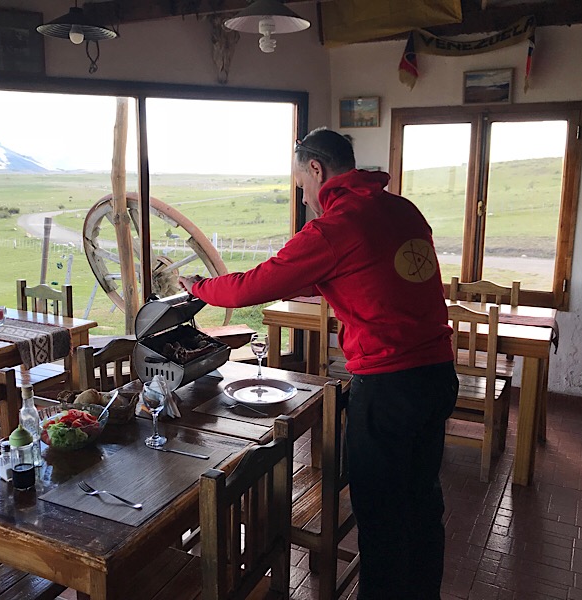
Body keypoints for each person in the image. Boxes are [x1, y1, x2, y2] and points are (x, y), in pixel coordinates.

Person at [179, 127, 458, 599]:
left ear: (316, 169)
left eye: (302, 185)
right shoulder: (401, 209)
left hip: (388, 387)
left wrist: (198, 288)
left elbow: (251, 288)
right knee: (422, 502)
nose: (305, 198)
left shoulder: (335, 226)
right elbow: (366, 272)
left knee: (382, 518)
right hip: (436, 377)